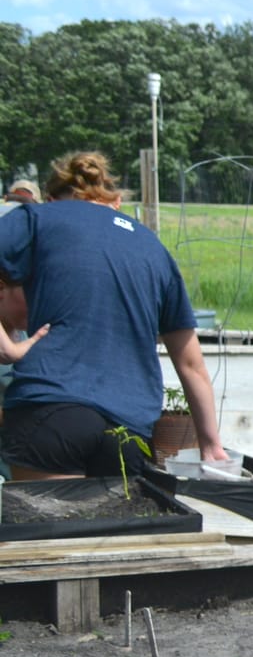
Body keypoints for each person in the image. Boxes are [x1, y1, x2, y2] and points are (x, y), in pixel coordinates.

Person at [0, 152, 227, 479]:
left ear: (51, 198)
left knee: (49, 530)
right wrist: (210, 443)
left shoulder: (39, 218)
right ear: (115, 200)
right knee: (108, 530)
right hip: (129, 429)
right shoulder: (154, 249)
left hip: (51, 410)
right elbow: (191, 365)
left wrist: (7, 347)